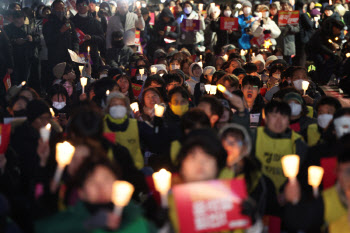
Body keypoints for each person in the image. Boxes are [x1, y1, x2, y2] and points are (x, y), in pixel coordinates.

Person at [35, 156, 155, 233]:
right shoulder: (69, 220)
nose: (100, 187)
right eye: (92, 182)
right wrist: (88, 224)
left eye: (106, 179)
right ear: (81, 192)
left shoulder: (137, 220)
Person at [253, 100, 308, 193]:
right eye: (274, 116)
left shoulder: (298, 142)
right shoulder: (254, 136)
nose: (278, 121)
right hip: (257, 194)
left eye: (283, 117)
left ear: (288, 120)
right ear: (265, 118)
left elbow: (302, 174)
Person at [103, 92, 143, 169]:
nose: (118, 107)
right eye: (114, 104)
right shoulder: (101, 125)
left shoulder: (136, 125)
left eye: (121, 104)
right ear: (108, 107)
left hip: (134, 168)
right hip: (108, 170)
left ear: (126, 107)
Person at [43, 0, 79, 76]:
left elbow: (75, 39)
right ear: (52, 10)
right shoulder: (48, 24)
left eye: (62, 8)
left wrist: (76, 49)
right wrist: (60, 32)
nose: (61, 11)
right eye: (58, 9)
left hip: (69, 58)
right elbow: (49, 41)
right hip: (56, 58)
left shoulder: (69, 23)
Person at [4, 11, 40, 86]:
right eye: (17, 20)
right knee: (15, 81)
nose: (19, 22)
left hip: (27, 58)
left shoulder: (29, 27)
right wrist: (15, 41)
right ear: (13, 19)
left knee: (26, 80)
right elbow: (4, 43)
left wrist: (32, 38)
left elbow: (38, 38)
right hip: (14, 59)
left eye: (21, 19)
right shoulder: (7, 29)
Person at [71, 0, 105, 75]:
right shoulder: (71, 22)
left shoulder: (95, 22)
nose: (81, 7)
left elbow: (102, 38)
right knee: (79, 76)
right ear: (76, 7)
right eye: (79, 5)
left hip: (92, 54)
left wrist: (92, 37)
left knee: (93, 77)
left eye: (84, 5)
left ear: (88, 7)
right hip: (78, 54)